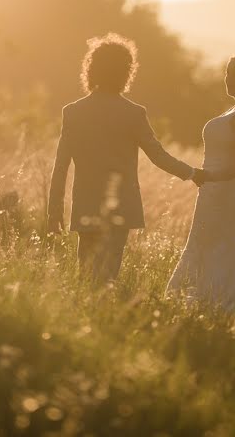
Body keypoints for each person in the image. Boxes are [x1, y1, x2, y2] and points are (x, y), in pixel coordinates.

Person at [47, 34, 202, 286]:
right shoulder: (134, 113)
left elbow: (60, 166)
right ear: (126, 72)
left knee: (85, 277)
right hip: (121, 206)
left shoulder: (73, 112)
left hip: (85, 204)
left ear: (91, 69)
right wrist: (193, 173)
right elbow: (158, 156)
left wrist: (53, 211)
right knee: (108, 277)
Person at [166, 53, 235, 314]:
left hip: (228, 190)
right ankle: (204, 301)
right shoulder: (234, 110)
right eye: (227, 72)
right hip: (212, 189)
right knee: (205, 242)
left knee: (226, 245)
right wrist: (207, 180)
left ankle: (226, 304)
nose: (228, 78)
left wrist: (209, 176)